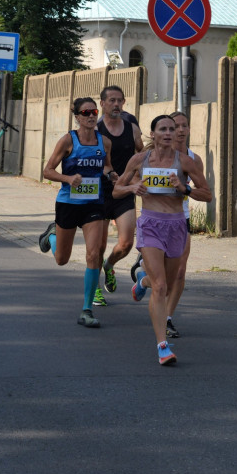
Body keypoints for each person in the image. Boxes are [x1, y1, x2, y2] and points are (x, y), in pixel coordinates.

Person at [114, 115, 209, 365]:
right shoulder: (139, 160)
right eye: (163, 129)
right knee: (161, 287)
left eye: (173, 128)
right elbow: (116, 190)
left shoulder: (185, 162)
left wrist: (185, 188)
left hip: (177, 225)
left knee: (164, 281)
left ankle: (142, 281)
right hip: (150, 224)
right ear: (153, 134)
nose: (169, 133)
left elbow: (207, 194)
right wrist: (132, 189)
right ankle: (162, 346)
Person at [40, 97, 116, 328]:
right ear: (77, 117)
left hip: (94, 203)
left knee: (94, 254)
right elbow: (48, 171)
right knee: (61, 259)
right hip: (68, 203)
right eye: (86, 112)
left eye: (94, 111)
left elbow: (107, 166)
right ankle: (51, 235)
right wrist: (67, 178)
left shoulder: (105, 142)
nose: (91, 116)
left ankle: (86, 309)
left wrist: (112, 175)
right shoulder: (67, 140)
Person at [93, 85, 144, 307]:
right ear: (102, 103)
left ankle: (109, 265)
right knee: (98, 244)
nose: (116, 104)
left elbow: (141, 155)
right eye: (111, 100)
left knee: (125, 243)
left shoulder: (131, 129)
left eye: (120, 100)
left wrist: (141, 180)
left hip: (124, 190)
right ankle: (94, 289)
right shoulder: (95, 130)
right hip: (100, 192)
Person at [163, 110, 211, 338]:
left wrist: (186, 189)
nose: (180, 130)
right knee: (161, 276)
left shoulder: (194, 159)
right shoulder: (155, 155)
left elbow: (205, 192)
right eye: (175, 126)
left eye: (184, 126)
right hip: (156, 219)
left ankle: (168, 318)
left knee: (180, 272)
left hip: (181, 217)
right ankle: (143, 281)